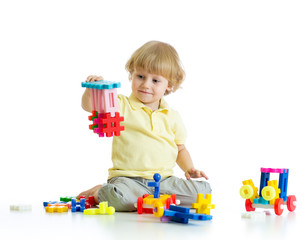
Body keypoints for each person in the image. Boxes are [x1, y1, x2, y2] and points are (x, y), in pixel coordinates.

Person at [78, 41, 211, 211]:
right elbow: (89, 107)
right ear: (132, 75)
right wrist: (91, 91)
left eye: (155, 80)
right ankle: (98, 192)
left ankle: (143, 199)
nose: (146, 84)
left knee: (203, 194)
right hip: (128, 180)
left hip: (163, 181)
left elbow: (180, 148)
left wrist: (189, 168)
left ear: (168, 85)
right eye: (140, 76)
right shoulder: (122, 105)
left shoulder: (172, 116)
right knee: (117, 198)